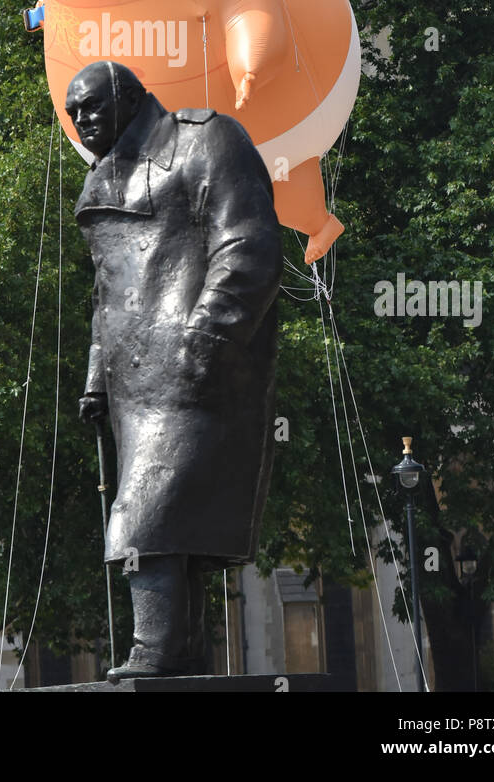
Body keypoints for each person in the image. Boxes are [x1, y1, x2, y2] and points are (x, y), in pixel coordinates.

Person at [66, 60, 283, 679]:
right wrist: (95, 377)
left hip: (195, 368)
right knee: (169, 520)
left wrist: (208, 335)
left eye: (94, 106)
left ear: (133, 99)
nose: (82, 120)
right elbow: (109, 293)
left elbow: (249, 244)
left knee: (146, 512)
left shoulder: (206, 139)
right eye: (74, 112)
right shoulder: (102, 178)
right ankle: (178, 652)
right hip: (133, 382)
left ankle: (152, 648)